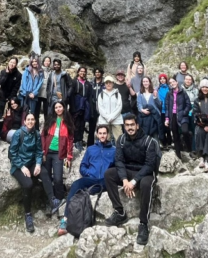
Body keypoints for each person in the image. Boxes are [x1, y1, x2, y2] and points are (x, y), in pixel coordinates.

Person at [104, 114, 158, 245]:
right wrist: (124, 180)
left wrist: (134, 182)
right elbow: (119, 161)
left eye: (132, 125)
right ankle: (120, 212)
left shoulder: (149, 141)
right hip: (128, 171)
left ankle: (143, 224)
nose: (130, 128)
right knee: (109, 174)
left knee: (146, 184)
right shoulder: (121, 140)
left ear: (137, 125)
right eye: (127, 125)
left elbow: (149, 165)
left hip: (144, 172)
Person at [57, 125, 115, 236]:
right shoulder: (91, 149)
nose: (102, 135)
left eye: (104, 133)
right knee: (76, 185)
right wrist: (88, 173)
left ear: (107, 135)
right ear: (97, 135)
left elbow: (117, 167)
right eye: (100, 133)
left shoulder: (113, 150)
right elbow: (83, 166)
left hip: (105, 180)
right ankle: (65, 220)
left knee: (88, 191)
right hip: (91, 178)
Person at [8, 113, 51, 233]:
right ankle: (27, 215)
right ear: (25, 121)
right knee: (28, 184)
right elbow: (13, 153)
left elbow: (38, 151)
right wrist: (22, 166)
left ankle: (52, 201)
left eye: (33, 119)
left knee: (44, 172)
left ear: (35, 121)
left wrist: (38, 164)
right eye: (28, 120)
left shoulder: (36, 134)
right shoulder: (18, 134)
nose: (31, 121)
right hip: (18, 165)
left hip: (31, 163)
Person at [41, 101, 75, 211]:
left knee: (58, 178)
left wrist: (69, 156)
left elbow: (70, 140)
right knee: (46, 178)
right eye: (56, 107)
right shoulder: (50, 120)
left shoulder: (67, 122)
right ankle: (50, 200)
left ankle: (59, 200)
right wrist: (43, 151)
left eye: (60, 107)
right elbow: (43, 135)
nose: (58, 109)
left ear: (64, 108)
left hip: (59, 154)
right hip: (47, 152)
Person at [164, 77, 192, 158]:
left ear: (177, 82)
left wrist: (184, 112)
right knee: (175, 135)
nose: (172, 83)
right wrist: (166, 118)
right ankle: (178, 154)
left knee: (185, 131)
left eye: (173, 81)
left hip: (182, 116)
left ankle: (189, 149)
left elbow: (188, 105)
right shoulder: (169, 94)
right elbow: (166, 107)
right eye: (170, 82)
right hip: (172, 116)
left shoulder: (183, 92)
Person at [71, 67, 93, 150]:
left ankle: (80, 140)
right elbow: (71, 95)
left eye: (84, 72)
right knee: (75, 123)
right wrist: (72, 107)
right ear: (78, 72)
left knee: (82, 124)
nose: (82, 73)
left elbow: (90, 97)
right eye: (81, 71)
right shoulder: (74, 82)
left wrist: (90, 108)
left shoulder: (88, 84)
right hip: (76, 105)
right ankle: (75, 140)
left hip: (85, 106)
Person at [97, 75, 124, 141]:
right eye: (107, 83)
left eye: (110, 82)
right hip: (104, 120)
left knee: (119, 139)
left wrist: (111, 117)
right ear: (104, 84)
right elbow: (100, 108)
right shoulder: (101, 95)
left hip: (116, 120)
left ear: (113, 83)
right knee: (105, 139)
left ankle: (119, 151)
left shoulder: (117, 94)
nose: (108, 84)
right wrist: (107, 117)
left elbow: (119, 107)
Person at [88, 68, 105, 147]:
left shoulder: (104, 83)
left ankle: (101, 143)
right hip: (92, 107)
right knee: (92, 127)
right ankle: (90, 145)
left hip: (102, 107)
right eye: (96, 72)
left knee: (102, 126)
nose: (97, 73)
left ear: (101, 73)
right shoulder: (91, 83)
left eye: (99, 72)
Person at [182, 75, 198, 152]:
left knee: (194, 129)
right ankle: (186, 147)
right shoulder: (180, 89)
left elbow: (197, 101)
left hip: (193, 111)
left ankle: (194, 149)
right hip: (183, 112)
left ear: (192, 81)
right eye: (186, 79)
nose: (188, 81)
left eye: (189, 79)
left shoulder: (195, 90)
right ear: (184, 80)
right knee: (184, 130)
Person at [156, 74, 172, 149]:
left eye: (164, 78)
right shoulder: (157, 89)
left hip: (168, 110)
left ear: (166, 79)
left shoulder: (169, 88)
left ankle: (170, 142)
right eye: (161, 79)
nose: (162, 80)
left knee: (168, 127)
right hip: (161, 110)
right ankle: (164, 142)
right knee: (162, 127)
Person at [38, 56, 53, 124]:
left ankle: (46, 129)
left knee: (46, 113)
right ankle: (36, 128)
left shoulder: (51, 71)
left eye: (48, 61)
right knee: (36, 112)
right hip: (38, 93)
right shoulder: (39, 70)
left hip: (47, 94)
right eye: (45, 61)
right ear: (43, 62)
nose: (47, 62)